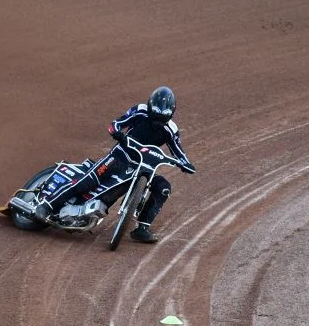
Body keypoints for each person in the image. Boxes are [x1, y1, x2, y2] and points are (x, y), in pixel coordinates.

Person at [34, 85, 195, 243]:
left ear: (171, 113)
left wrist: (186, 164)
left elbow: (179, 153)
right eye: (156, 115)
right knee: (88, 181)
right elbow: (117, 123)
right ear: (150, 106)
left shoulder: (171, 130)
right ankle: (46, 206)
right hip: (120, 156)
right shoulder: (140, 111)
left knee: (163, 188)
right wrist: (117, 133)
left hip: (145, 168)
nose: (158, 122)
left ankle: (142, 229)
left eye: (163, 117)